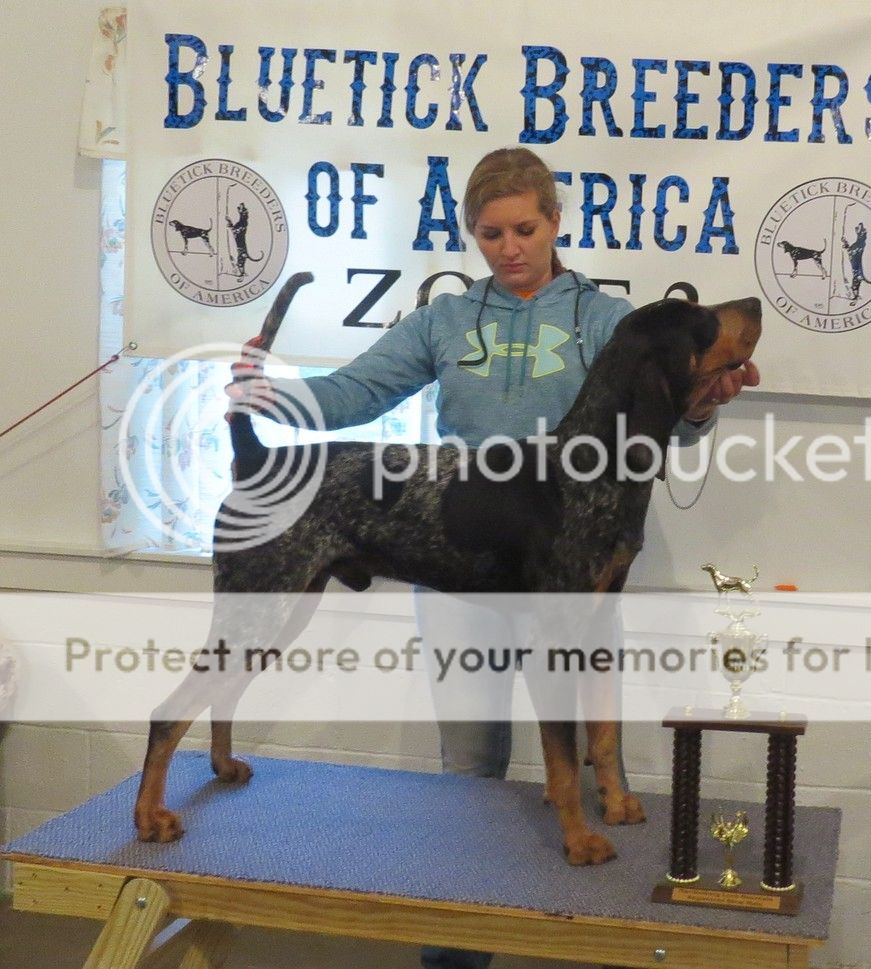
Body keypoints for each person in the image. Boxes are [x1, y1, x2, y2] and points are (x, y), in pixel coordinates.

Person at [227, 146, 759, 969]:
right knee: (471, 773)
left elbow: (667, 424)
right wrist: (270, 393)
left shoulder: (605, 320)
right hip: (467, 564)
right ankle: (454, 958)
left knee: (595, 771)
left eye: (525, 229)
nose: (509, 248)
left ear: (555, 222)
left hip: (575, 565)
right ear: (472, 234)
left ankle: (585, 941)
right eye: (490, 233)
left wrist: (703, 405)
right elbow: (355, 393)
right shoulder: (442, 319)